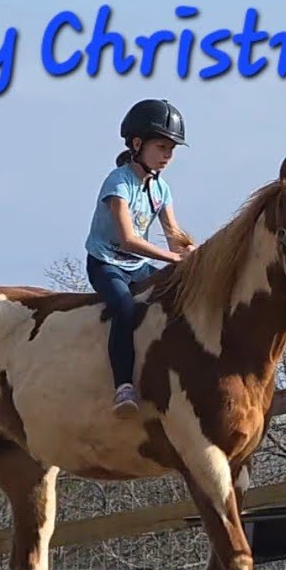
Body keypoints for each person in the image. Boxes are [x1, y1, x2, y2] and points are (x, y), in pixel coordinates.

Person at [84, 98, 196, 416]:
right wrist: (172, 260)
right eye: (162, 147)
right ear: (137, 144)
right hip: (107, 263)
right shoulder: (118, 182)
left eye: (172, 150)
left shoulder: (162, 189)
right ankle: (123, 387)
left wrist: (194, 255)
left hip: (137, 266)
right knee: (124, 307)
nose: (168, 156)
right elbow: (128, 239)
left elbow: (173, 235)